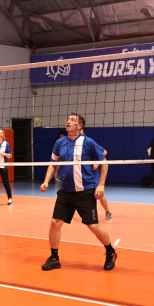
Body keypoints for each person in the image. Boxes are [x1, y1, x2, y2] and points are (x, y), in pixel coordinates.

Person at [40, 113, 117, 271]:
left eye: (72, 120)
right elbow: (53, 164)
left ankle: (110, 252)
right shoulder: (60, 142)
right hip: (65, 191)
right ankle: (54, 258)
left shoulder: (88, 142)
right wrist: (46, 181)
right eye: (67, 120)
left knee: (93, 225)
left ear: (80, 126)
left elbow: (104, 162)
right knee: (55, 222)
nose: (68, 122)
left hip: (85, 191)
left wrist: (101, 185)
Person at [83, 128, 112, 220]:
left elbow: (104, 152)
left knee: (98, 194)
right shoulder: (72, 144)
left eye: (81, 133)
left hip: (92, 174)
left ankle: (108, 212)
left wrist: (97, 162)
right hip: (81, 174)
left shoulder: (89, 143)